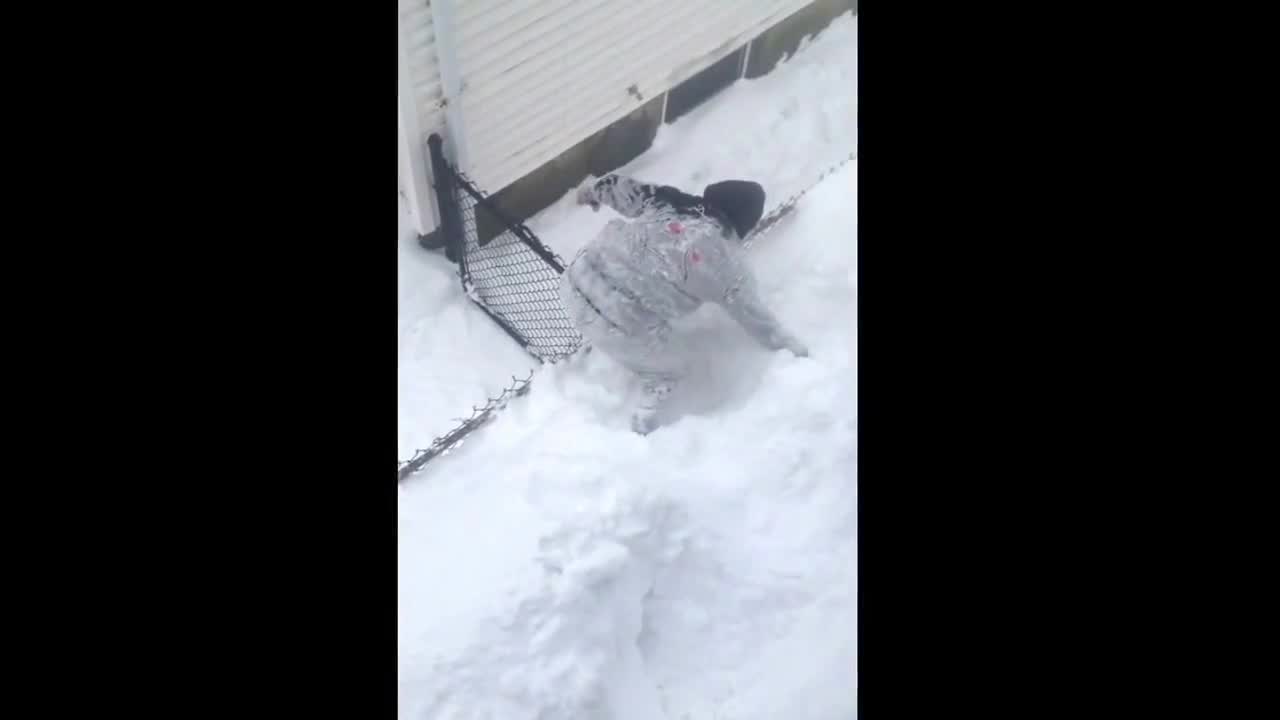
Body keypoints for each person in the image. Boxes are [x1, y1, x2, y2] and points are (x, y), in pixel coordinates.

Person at [560, 172, 809, 435]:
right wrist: (798, 353)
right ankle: (641, 428)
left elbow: (619, 187)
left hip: (575, 276)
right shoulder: (727, 264)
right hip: (616, 317)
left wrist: (590, 191)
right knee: (667, 370)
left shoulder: (668, 201)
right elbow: (760, 321)